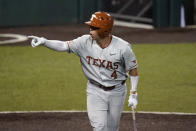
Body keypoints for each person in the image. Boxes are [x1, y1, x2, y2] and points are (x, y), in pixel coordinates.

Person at [28, 11, 139, 131]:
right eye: (90, 27)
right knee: (100, 127)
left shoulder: (123, 48)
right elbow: (64, 46)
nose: (90, 30)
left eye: (94, 28)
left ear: (105, 30)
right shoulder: (84, 42)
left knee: (112, 128)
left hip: (117, 91)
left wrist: (133, 94)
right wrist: (45, 42)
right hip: (95, 91)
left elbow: (132, 69)